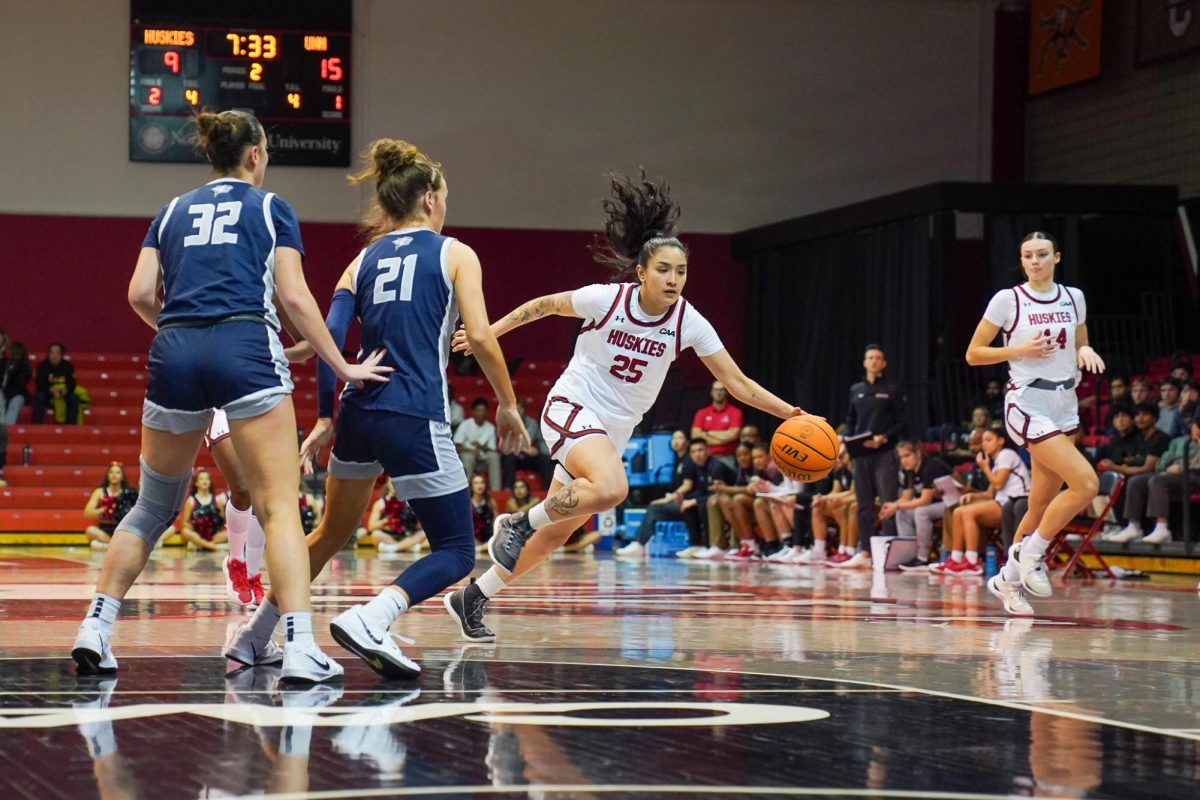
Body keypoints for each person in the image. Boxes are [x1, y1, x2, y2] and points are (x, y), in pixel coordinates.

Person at [71, 109, 388, 683]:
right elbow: (293, 297)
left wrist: (182, 333)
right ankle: (296, 647)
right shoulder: (271, 208)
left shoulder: (169, 211)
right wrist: (338, 362)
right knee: (278, 505)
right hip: (244, 348)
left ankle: (96, 625)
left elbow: (141, 292)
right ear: (255, 155)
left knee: (150, 507)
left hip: (175, 350)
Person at [444, 171, 808, 639]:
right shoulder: (607, 300)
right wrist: (490, 332)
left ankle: (472, 597)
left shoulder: (689, 322)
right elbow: (545, 305)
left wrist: (791, 414)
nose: (674, 279)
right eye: (663, 269)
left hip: (612, 430)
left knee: (558, 533)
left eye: (681, 272)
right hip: (572, 406)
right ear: (641, 271)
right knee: (612, 488)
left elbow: (737, 382)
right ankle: (517, 521)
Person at [226, 138, 526, 677]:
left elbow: (329, 338)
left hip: (358, 413)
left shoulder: (362, 260)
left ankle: (255, 636)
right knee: (457, 549)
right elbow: (479, 335)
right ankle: (373, 616)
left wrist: (323, 417)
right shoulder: (456, 253)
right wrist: (506, 402)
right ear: (430, 199)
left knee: (330, 533)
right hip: (414, 411)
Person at [966, 230, 1104, 617]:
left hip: (1065, 401)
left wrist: (1086, 349)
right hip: (1027, 400)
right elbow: (974, 354)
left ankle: (1006, 581)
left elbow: (1079, 342)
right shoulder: (1008, 299)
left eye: (1042, 254)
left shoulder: (1073, 297)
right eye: (1028, 255)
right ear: (1022, 260)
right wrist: (1019, 349)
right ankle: (1032, 553)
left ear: (1056, 257)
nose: (1035, 261)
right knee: (1086, 484)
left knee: (1041, 501)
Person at [930, 425, 1029, 576]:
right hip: (1002, 502)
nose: (984, 444)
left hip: (1016, 502)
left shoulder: (1007, 454)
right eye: (983, 441)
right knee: (958, 511)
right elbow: (990, 492)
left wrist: (984, 467)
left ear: (1001, 441)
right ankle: (955, 559)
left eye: (988, 440)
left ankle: (972, 562)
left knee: (968, 513)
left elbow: (998, 483)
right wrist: (973, 495)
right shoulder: (997, 460)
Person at [844, 344, 906, 548]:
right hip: (860, 454)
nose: (874, 361)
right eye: (870, 357)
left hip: (884, 453)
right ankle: (866, 551)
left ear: (884, 363)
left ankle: (888, 550)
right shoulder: (856, 390)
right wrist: (846, 444)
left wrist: (884, 437)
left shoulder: (892, 389)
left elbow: (902, 422)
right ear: (864, 362)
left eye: (878, 358)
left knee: (887, 502)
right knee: (864, 506)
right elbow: (851, 421)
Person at [1110, 419, 1200, 544]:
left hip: (1195, 476)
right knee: (1136, 481)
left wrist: (1184, 467)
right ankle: (1133, 527)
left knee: (1158, 481)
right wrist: (1169, 467)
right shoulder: (1178, 442)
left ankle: (1162, 528)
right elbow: (1160, 464)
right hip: (1172, 476)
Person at [884, 441, 952, 572]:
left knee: (921, 512)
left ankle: (923, 557)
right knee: (902, 513)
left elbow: (925, 500)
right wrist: (892, 506)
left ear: (918, 454)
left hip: (952, 503)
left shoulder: (930, 467)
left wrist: (897, 505)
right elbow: (906, 497)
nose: (904, 460)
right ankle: (909, 553)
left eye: (907, 455)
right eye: (901, 457)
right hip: (935, 505)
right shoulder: (909, 471)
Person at [83, 463, 139, 550]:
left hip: (123, 529)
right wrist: (103, 510)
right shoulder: (100, 492)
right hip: (105, 529)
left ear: (122, 476)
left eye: (117, 472)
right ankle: (115, 545)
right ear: (107, 475)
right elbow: (87, 513)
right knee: (90, 530)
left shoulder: (129, 492)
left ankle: (108, 546)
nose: (114, 475)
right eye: (111, 472)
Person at [500, 399, 553, 490]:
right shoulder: (507, 424)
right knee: (509, 459)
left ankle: (546, 490)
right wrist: (523, 449)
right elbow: (505, 447)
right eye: (515, 410)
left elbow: (541, 441)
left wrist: (539, 451)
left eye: (520, 409)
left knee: (544, 460)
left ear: (524, 410)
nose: (518, 412)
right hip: (514, 456)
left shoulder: (532, 424)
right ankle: (508, 488)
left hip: (529, 457)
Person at [361, 480, 426, 554]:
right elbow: (371, 526)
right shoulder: (381, 503)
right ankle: (407, 547)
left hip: (408, 534)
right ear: (388, 484)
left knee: (423, 534)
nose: (395, 486)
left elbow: (421, 525)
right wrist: (387, 521)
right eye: (393, 483)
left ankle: (394, 548)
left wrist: (413, 521)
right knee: (375, 535)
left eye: (398, 483)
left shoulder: (409, 502)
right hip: (389, 535)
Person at [691, 381, 743, 468]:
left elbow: (733, 435)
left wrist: (707, 433)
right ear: (711, 392)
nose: (718, 392)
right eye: (716, 390)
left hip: (727, 458)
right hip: (704, 459)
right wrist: (723, 438)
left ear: (726, 392)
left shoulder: (735, 412)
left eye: (721, 390)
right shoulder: (702, 413)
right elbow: (695, 436)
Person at [454, 397, 502, 490]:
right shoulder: (465, 424)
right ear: (473, 412)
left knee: (494, 456)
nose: (481, 413)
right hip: (469, 458)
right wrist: (472, 450)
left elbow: (492, 449)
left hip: (483, 459)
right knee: (468, 456)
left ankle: (496, 490)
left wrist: (480, 447)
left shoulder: (490, 427)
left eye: (484, 411)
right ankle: (466, 490)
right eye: (479, 410)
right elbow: (457, 446)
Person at [178, 468, 228, 551]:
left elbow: (222, 522)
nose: (204, 481)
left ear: (210, 482)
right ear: (196, 483)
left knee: (229, 534)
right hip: (197, 534)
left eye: (207, 479)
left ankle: (202, 545)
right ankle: (210, 546)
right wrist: (196, 527)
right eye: (201, 479)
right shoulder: (191, 500)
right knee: (185, 531)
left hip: (214, 535)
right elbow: (184, 523)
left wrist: (221, 512)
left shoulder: (217, 500)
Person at [32, 342, 78, 424]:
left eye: (57, 352)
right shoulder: (42, 366)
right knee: (39, 397)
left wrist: (65, 391)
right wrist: (51, 390)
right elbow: (39, 384)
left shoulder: (68, 366)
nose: (54, 355)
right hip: (48, 393)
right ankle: (37, 425)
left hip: (63, 393)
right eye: (52, 352)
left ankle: (71, 426)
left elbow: (72, 383)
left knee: (73, 398)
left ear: (62, 354)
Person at [1, 340, 31, 425]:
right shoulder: (3, 363)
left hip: (17, 394)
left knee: (16, 401)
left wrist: (6, 395)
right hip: (3, 392)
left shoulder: (24, 368)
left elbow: (19, 387)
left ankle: (7, 427)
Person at [469, 474, 498, 552]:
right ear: (471, 486)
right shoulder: (467, 503)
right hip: (473, 541)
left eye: (482, 482)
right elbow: (465, 527)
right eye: (476, 483)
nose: (479, 485)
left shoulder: (491, 502)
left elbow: (496, 524)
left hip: (489, 541)